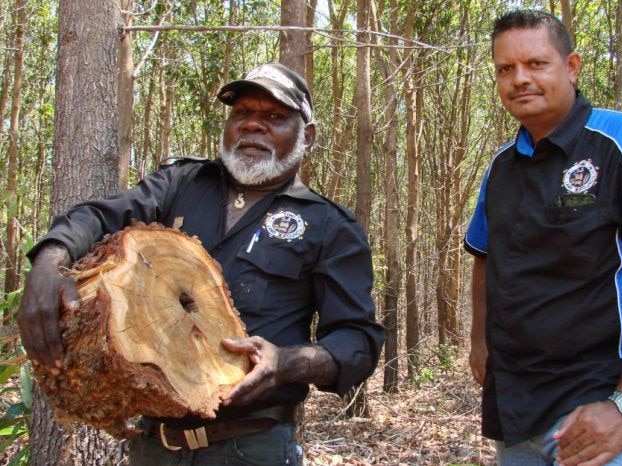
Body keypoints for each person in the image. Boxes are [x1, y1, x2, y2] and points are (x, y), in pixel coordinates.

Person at [18, 62, 385, 466]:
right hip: (153, 445)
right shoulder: (180, 183)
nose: (253, 126)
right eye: (242, 113)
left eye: (274, 117)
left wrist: (287, 363)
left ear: (307, 136)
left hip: (252, 448)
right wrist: (49, 260)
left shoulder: (328, 225)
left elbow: (357, 342)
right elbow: (101, 215)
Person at [464, 9, 622, 466]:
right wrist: (480, 341)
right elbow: (485, 255)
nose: (520, 79)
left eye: (536, 64)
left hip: (596, 413)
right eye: (505, 69)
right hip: (514, 411)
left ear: (571, 67)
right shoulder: (501, 167)